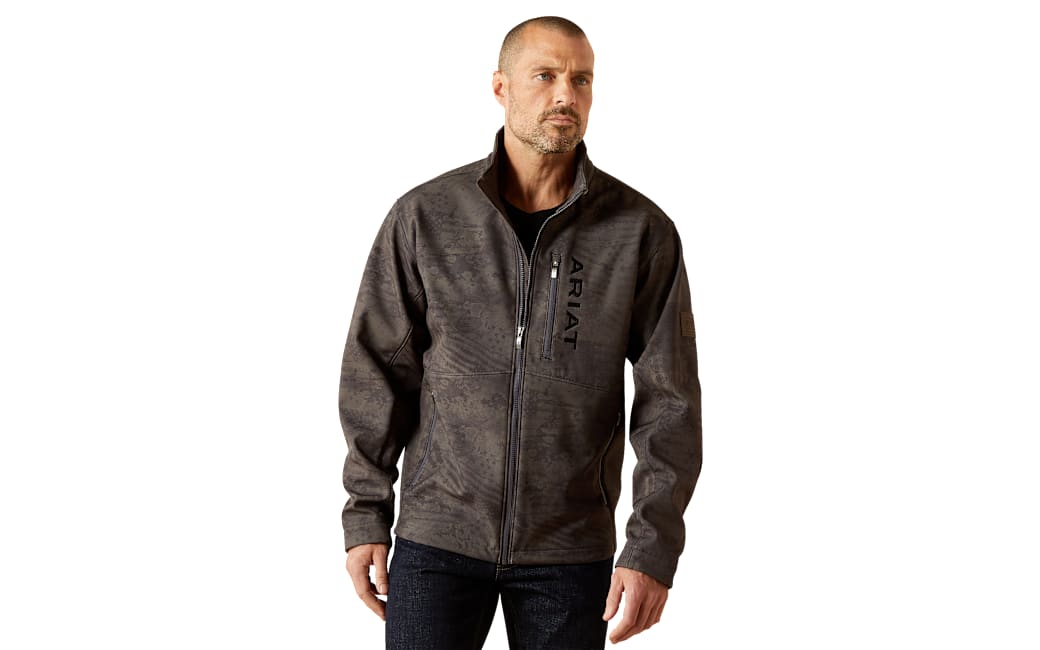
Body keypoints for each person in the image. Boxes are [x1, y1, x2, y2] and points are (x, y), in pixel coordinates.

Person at [339, 15, 703, 649]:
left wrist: (652, 548)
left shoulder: (639, 232)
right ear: (501, 87)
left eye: (581, 80)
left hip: (571, 549)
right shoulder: (426, 217)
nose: (566, 95)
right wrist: (365, 513)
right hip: (437, 539)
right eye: (545, 76)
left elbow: (670, 403)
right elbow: (376, 369)